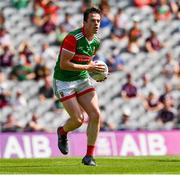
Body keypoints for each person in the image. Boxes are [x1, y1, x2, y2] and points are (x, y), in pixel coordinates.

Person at [53, 7, 106, 166]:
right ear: (84, 22)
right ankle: (62, 132)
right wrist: (89, 68)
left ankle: (89, 157)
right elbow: (64, 64)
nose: (96, 24)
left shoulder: (96, 41)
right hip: (64, 81)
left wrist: (97, 73)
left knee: (96, 114)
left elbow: (86, 62)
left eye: (98, 21)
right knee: (78, 119)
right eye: (92, 21)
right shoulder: (73, 38)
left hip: (82, 79)